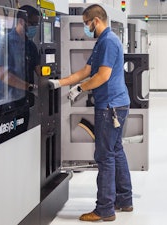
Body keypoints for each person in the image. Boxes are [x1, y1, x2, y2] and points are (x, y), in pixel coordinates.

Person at [48, 4, 132, 222]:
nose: (86, 27)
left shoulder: (109, 41)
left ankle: (104, 209)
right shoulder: (102, 42)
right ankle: (124, 200)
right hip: (115, 104)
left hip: (110, 107)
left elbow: (102, 76)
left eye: (86, 23)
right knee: (116, 151)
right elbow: (86, 71)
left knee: (104, 157)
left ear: (96, 20)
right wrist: (59, 83)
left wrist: (80, 89)